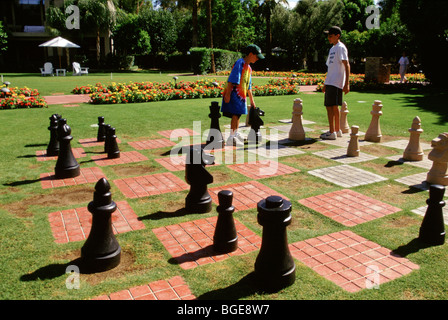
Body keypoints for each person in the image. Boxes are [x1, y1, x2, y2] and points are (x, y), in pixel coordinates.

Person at [221, 44, 264, 146]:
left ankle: (234, 133)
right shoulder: (240, 63)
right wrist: (227, 94)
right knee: (235, 115)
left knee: (238, 114)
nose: (257, 59)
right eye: (256, 56)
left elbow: (249, 86)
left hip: (241, 95)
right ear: (250, 54)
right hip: (234, 93)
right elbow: (232, 78)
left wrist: (252, 101)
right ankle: (231, 137)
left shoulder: (249, 68)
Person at [321, 26, 350, 140]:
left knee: (330, 107)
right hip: (330, 82)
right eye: (328, 36)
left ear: (337, 36)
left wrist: (347, 83)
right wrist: (325, 83)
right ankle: (337, 130)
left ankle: (332, 131)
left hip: (336, 82)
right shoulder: (332, 49)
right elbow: (330, 67)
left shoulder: (341, 47)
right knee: (333, 107)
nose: (329, 38)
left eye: (331, 36)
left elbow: (346, 64)